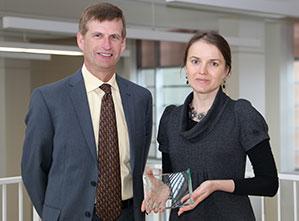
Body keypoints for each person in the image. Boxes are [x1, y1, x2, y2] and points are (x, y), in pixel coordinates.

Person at [21, 2, 152, 221]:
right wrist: (53, 214)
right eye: (98, 35)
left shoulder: (140, 98)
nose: (106, 45)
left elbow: (137, 162)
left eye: (114, 37)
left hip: (128, 215)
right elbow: (33, 168)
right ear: (81, 40)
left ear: (123, 44)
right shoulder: (48, 99)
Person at [142, 31, 278, 220]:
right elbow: (178, 180)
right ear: (186, 66)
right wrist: (166, 188)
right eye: (195, 61)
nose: (203, 71)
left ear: (226, 71)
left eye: (213, 63)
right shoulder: (170, 118)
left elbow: (269, 184)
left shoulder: (241, 114)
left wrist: (216, 185)